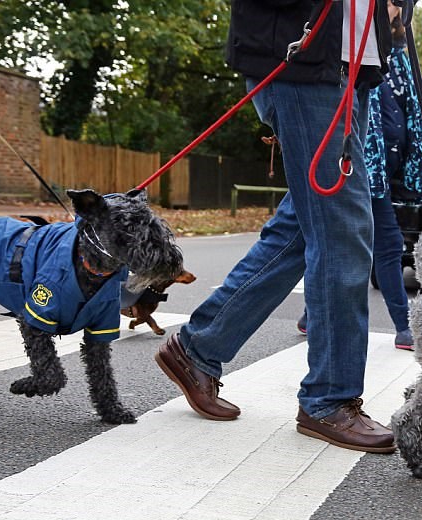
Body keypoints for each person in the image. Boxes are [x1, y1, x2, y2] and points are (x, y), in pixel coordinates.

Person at [154, 0, 398, 453]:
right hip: (304, 59)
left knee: (305, 227)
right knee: (343, 231)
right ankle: (329, 399)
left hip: (351, 65)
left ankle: (199, 348)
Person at [296, 0, 422, 351]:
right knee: (365, 244)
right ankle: (402, 326)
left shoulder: (397, 57)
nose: (391, 7)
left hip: (383, 172)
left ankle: (317, 315)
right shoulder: (352, 50)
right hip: (352, 165)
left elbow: (417, 109)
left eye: (398, 3)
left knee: (371, 245)